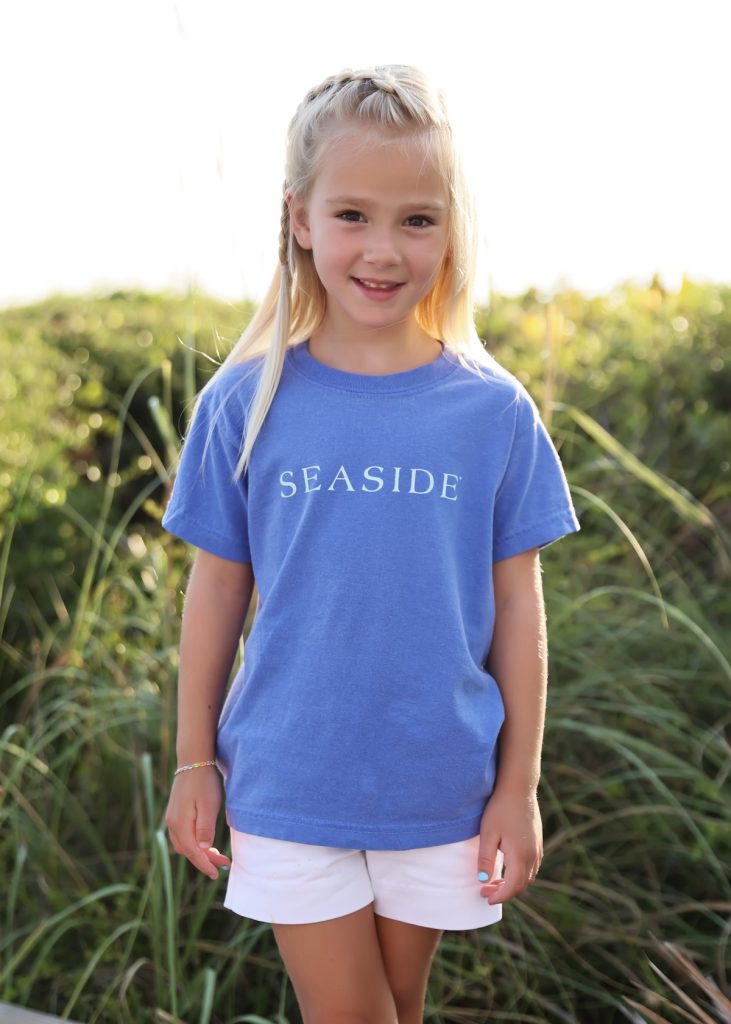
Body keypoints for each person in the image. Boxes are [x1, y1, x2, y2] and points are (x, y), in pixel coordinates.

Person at [162, 64, 581, 1024]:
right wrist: (193, 760)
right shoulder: (244, 402)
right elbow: (216, 592)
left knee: (399, 1005)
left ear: (451, 230)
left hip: (440, 785)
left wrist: (517, 787)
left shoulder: (492, 412)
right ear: (299, 218)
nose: (383, 250)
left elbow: (517, 604)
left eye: (416, 219)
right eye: (352, 214)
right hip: (288, 776)